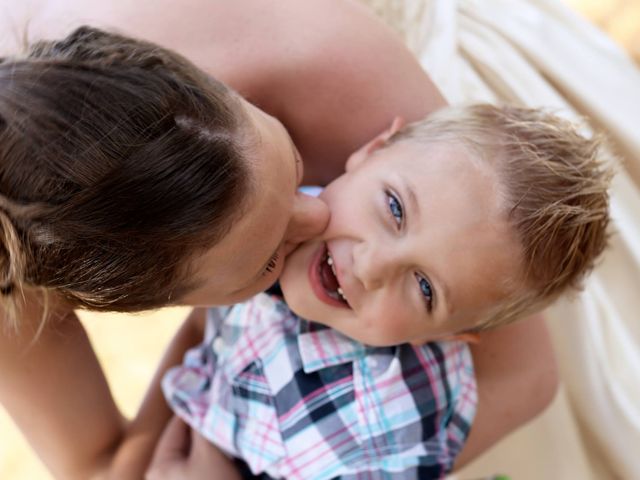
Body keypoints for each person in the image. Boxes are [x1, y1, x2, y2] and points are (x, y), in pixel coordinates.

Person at [0, 4, 560, 479]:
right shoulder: (18, 256)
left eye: (295, 168)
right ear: (163, 302)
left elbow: (525, 374)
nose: (316, 213)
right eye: (268, 257)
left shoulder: (428, 172)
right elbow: (99, 463)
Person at [159, 104, 610, 479]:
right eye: (394, 208)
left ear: (450, 336)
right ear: (373, 150)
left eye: (424, 287)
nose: (372, 266)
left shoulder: (374, 435)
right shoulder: (279, 203)